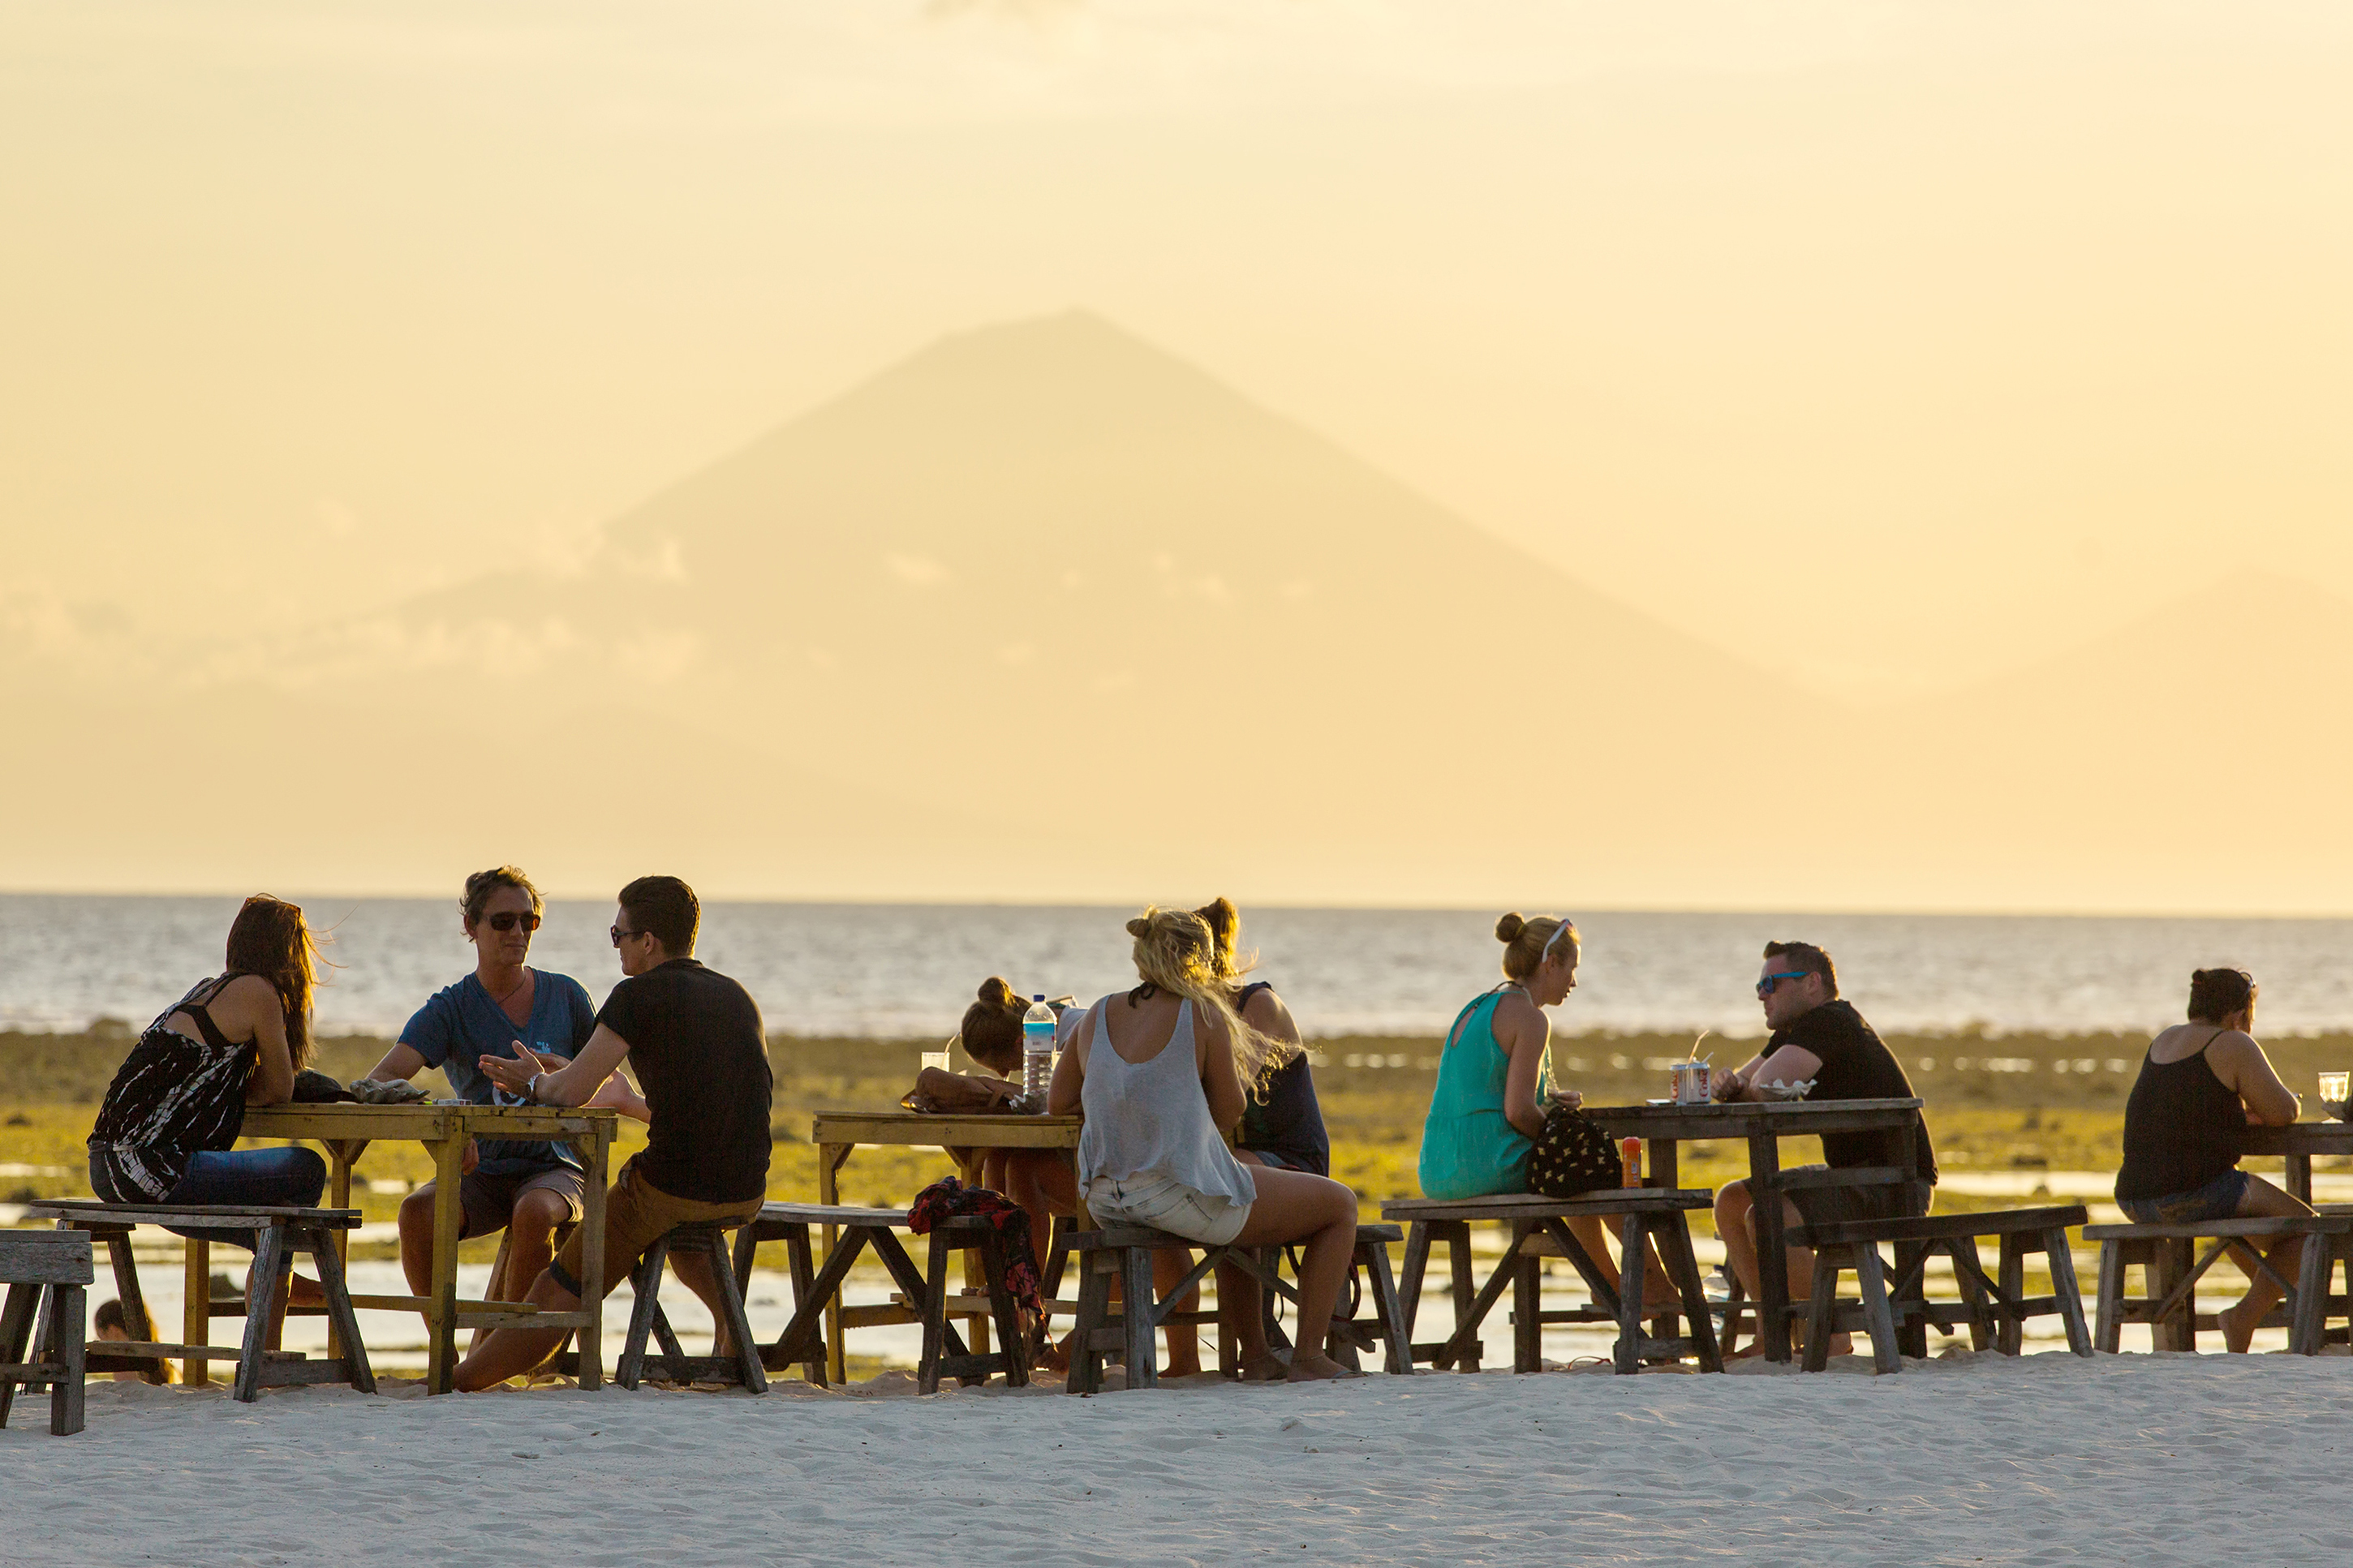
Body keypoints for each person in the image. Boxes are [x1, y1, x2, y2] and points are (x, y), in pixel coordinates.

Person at [454, 876, 773, 1391]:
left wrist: (534, 1082)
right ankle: (732, 1332)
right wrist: (567, 1078)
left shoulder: (636, 995)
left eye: (619, 935)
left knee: (562, 1285)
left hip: (672, 1187)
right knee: (686, 1238)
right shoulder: (735, 995)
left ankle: (465, 1379)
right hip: (746, 1189)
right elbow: (705, 1101)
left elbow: (566, 1094)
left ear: (648, 941)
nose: (617, 946)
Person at [1050, 905, 1361, 1383]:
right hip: (1172, 1195)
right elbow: (1231, 1107)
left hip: (1107, 1197)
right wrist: (1181, 1136)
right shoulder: (1203, 1013)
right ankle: (1307, 1357)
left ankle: (1253, 1355)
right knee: (1341, 1204)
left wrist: (1125, 1114)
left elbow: (1059, 1102)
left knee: (1236, 1185)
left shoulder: (1097, 1013)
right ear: (1200, 958)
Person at [362, 867, 647, 1325]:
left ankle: (504, 1345)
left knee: (533, 1211)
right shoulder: (451, 1008)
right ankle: (443, 1348)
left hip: (559, 1167)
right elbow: (380, 1081)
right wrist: (442, 1123)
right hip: (485, 1171)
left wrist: (562, 1078)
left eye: (528, 921)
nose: (517, 932)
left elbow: (609, 1086)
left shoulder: (567, 995)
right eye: (502, 921)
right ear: (471, 927)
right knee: (417, 1212)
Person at [86, 896, 331, 1332]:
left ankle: (274, 1318)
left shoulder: (207, 989)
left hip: (107, 1166)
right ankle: (266, 1346)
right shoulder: (259, 993)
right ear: (287, 954)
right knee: (306, 1169)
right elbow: (279, 1087)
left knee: (276, 1226)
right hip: (154, 1167)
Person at [1417, 912, 1668, 1309]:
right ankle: (1644, 1283)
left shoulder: (1476, 1007)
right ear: (1551, 963)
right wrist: (1557, 1131)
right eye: (1572, 968)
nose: (1574, 981)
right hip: (1485, 1164)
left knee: (1573, 1164)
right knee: (1593, 1161)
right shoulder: (1532, 1019)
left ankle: (1612, 1282)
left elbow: (1491, 1091)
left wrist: (1550, 1105)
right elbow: (1517, 1112)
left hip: (1438, 1167)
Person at [1710, 940, 1939, 1355]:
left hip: (1896, 1181)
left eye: (1771, 984)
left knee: (1768, 1212)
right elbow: (1743, 1082)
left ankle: (1829, 1334)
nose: (1762, 994)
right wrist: (1730, 1085)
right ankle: (1770, 1334)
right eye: (1759, 985)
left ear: (1812, 983)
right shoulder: (1797, 1030)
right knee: (1732, 1201)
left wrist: (1738, 1087)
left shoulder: (1830, 1021)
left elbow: (1764, 1087)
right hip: (1854, 1176)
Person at [2115, 967, 2306, 1352]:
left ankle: (2273, 1298)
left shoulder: (2164, 1040)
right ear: (2238, 1015)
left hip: (2135, 1198)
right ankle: (2245, 1316)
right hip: (2189, 1194)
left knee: (2237, 1221)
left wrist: (2234, 1114)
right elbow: (2285, 1113)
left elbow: (2181, 1110)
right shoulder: (2232, 1043)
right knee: (2309, 1232)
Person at [92, 1298, 172, 1384]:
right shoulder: (159, 1359)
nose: (100, 1343)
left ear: (112, 1330)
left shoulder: (125, 1367)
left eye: (100, 1338)